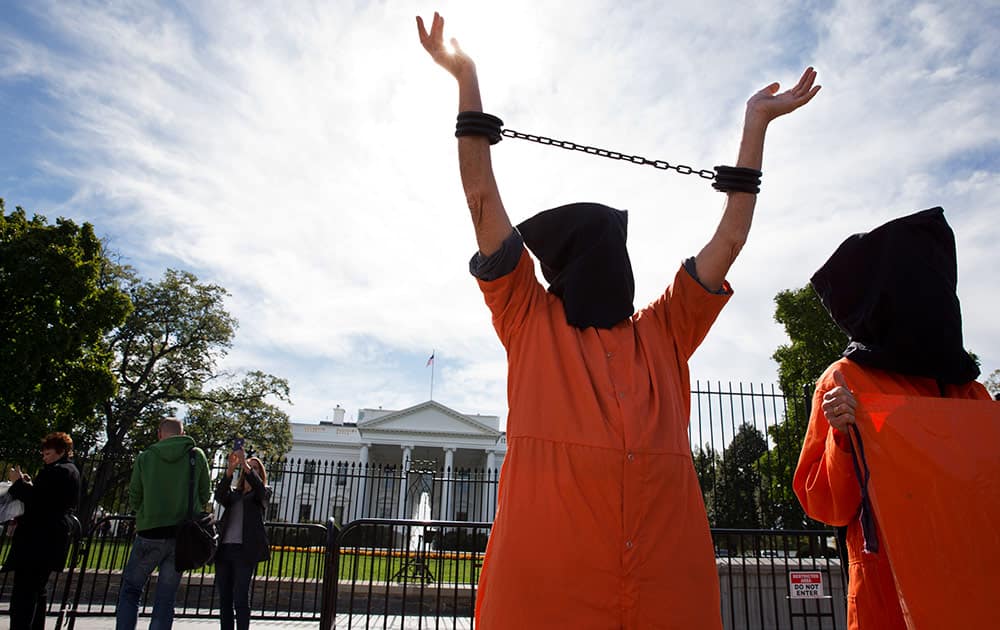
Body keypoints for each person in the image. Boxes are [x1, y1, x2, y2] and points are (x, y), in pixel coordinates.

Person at [416, 11, 820, 629]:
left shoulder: (664, 330)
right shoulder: (529, 318)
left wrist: (755, 125)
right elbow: (480, 199)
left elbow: (731, 238)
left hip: (663, 593)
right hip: (546, 600)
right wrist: (466, 80)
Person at [792, 208, 992, 630]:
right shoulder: (844, 380)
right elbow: (824, 504)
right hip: (885, 597)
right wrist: (840, 441)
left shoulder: (970, 393)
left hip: (973, 588)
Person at [117, 417, 210, 630]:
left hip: (150, 532)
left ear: (160, 433)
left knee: (131, 590)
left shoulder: (145, 457)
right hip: (181, 536)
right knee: (166, 598)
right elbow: (205, 494)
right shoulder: (196, 456)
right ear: (182, 433)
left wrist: (146, 513)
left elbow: (134, 496)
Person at [3, 432, 81, 630]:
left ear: (60, 452)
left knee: (24, 593)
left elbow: (38, 502)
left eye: (48, 453)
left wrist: (17, 484)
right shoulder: (70, 471)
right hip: (52, 537)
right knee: (37, 590)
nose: (44, 457)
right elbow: (46, 497)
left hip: (37, 539)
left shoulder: (56, 472)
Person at [214, 448, 271, 630]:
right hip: (224, 550)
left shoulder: (262, 495)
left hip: (245, 552)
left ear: (258, 474)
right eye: (247, 468)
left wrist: (245, 464)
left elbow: (261, 490)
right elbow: (219, 496)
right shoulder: (234, 494)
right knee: (225, 600)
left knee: (240, 597)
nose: (248, 471)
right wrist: (230, 470)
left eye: (254, 469)